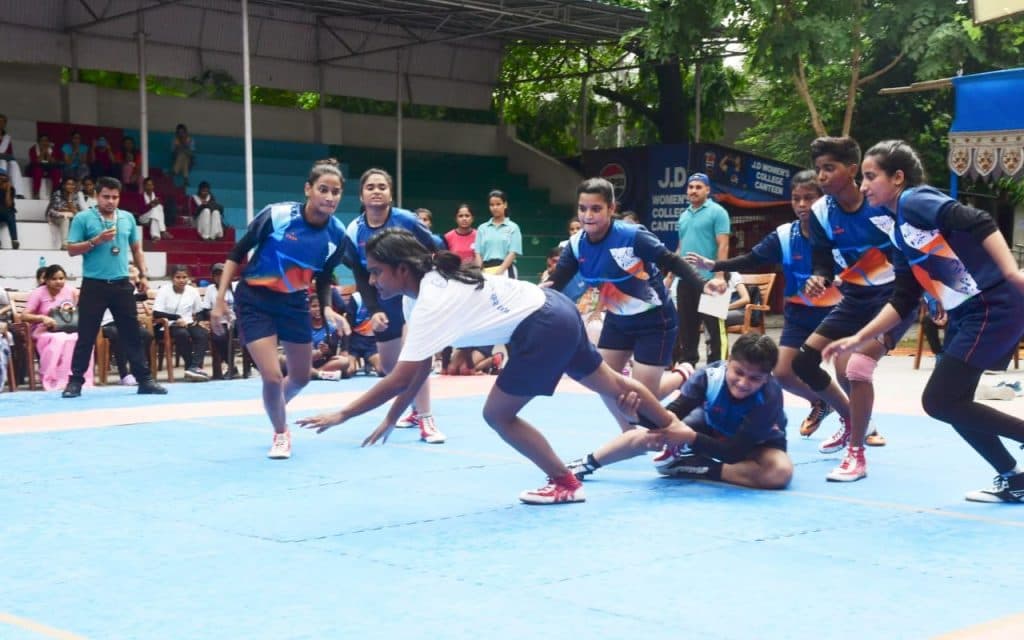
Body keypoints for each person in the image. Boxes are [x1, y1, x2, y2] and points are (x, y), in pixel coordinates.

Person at [297, 228, 696, 505]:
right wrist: (393, 416)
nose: (371, 279)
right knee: (612, 384)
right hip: (553, 309)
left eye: (377, 271)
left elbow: (402, 375)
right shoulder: (423, 289)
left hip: (540, 326)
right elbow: (418, 370)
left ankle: (565, 482)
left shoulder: (431, 300)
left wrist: (344, 413)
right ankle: (674, 428)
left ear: (402, 269)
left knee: (497, 415)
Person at [824, 139, 1024, 503]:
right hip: (967, 312)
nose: (864, 185)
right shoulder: (898, 229)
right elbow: (903, 298)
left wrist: (1011, 272)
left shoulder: (915, 200)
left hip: (993, 304)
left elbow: (978, 220)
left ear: (898, 177)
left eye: (871, 176)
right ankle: (1014, 477)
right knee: (953, 402)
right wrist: (858, 337)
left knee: (940, 400)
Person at [544, 177, 712, 432]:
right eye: (582, 208)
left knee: (644, 398)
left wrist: (703, 285)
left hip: (655, 320)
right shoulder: (576, 245)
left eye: (596, 209)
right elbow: (555, 282)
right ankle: (628, 432)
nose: (588, 215)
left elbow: (673, 261)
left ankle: (683, 375)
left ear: (611, 209)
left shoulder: (632, 236)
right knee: (604, 382)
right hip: (617, 320)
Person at [685, 170, 844, 437]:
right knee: (782, 372)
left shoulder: (836, 231)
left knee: (848, 370)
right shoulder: (784, 235)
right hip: (797, 312)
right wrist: (715, 265)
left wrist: (835, 280)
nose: (802, 205)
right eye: (796, 199)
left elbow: (855, 268)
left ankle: (859, 423)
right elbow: (751, 258)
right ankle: (821, 402)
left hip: (836, 312)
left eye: (809, 198)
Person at [210, 158, 349, 459]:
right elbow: (237, 252)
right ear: (308, 189)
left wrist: (327, 308)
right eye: (323, 189)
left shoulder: (337, 236)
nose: (329, 197)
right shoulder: (278, 215)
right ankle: (281, 430)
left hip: (294, 302)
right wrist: (220, 300)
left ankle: (273, 404)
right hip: (255, 300)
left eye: (336, 192)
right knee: (272, 377)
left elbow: (323, 277)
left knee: (300, 377)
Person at [791, 136, 907, 482]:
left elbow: (911, 256)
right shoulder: (821, 213)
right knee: (803, 361)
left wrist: (932, 298)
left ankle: (856, 453)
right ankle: (847, 419)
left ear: (853, 170)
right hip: (856, 298)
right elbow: (823, 264)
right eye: (819, 169)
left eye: (830, 168)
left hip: (894, 299)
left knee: (855, 369)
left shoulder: (883, 205)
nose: (822, 176)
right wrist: (818, 279)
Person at [567, 333, 792, 489]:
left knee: (780, 472)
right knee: (657, 432)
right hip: (711, 426)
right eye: (738, 372)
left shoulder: (770, 398)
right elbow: (666, 418)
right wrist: (632, 416)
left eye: (754, 378)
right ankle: (587, 463)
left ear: (767, 378)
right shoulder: (709, 376)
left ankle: (696, 467)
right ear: (728, 362)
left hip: (754, 445)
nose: (743, 383)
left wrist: (690, 438)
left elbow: (734, 452)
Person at [344, 168, 446, 444]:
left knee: (415, 356)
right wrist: (374, 308)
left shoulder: (407, 220)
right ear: (361, 195)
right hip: (383, 299)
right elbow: (360, 275)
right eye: (370, 187)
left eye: (382, 186)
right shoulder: (354, 229)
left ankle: (426, 418)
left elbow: (436, 247)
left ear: (390, 193)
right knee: (390, 366)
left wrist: (429, 285)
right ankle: (413, 410)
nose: (376, 191)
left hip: (413, 295)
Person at [62, 175, 166, 398]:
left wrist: (144, 275)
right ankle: (75, 382)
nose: (110, 201)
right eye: (106, 197)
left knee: (132, 334)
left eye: (115, 197)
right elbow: (70, 249)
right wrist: (95, 241)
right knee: (86, 335)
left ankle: (145, 380)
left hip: (121, 284)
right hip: (94, 284)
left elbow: (137, 249)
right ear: (96, 196)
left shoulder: (127, 218)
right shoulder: (83, 218)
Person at [669, 172, 731, 367]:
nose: (693, 191)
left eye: (698, 187)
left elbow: (723, 245)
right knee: (686, 329)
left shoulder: (718, 212)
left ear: (708, 190)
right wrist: (671, 276)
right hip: (685, 281)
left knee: (714, 330)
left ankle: (717, 369)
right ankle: (687, 367)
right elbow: (680, 247)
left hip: (711, 280)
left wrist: (720, 275)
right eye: (691, 187)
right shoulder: (683, 216)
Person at [22, 264, 93, 391]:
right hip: (43, 330)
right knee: (59, 339)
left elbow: (85, 303)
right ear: (47, 280)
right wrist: (42, 318)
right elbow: (24, 315)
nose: (58, 282)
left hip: (69, 329)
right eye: (54, 279)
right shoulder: (38, 293)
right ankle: (53, 379)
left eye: (61, 278)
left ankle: (78, 379)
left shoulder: (70, 291)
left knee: (81, 339)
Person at [153, 264, 210, 381]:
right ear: (172, 278)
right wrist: (176, 318)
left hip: (188, 323)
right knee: (182, 334)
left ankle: (194, 367)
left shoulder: (192, 291)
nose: (181, 280)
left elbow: (199, 311)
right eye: (178, 277)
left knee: (202, 333)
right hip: (168, 325)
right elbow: (156, 313)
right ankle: (190, 366)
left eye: (184, 277)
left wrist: (198, 321)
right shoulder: (164, 290)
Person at [100, 264, 152, 386]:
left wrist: (138, 279)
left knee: (146, 335)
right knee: (120, 335)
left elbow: (143, 296)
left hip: (125, 323)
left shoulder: (129, 288)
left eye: (132, 271)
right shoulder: (106, 285)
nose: (130, 274)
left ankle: (138, 370)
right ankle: (124, 374)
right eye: (128, 271)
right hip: (107, 323)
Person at [474, 189, 522, 278]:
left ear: (505, 205)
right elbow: (478, 253)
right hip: (486, 271)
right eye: (492, 205)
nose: (495, 207)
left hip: (506, 270)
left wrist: (500, 271)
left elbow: (513, 252)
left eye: (498, 204)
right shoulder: (482, 228)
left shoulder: (513, 228)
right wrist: (480, 271)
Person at [201, 262, 237, 379]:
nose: (219, 277)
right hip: (218, 321)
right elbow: (205, 310)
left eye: (222, 274)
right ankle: (231, 366)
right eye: (216, 275)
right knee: (220, 337)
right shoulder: (210, 289)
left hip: (235, 321)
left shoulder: (234, 287)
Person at [47, 176, 81, 250]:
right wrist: (69, 208)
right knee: (65, 219)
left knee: (78, 218)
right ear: (64, 185)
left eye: (72, 184)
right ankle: (64, 244)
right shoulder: (57, 193)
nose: (71, 186)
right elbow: (58, 208)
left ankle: (76, 242)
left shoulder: (75, 195)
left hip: (68, 215)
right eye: (68, 184)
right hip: (55, 216)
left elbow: (75, 210)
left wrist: (69, 201)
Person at [27, 134, 62, 199]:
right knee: (38, 171)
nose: (44, 143)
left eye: (46, 141)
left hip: (49, 168)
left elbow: (53, 161)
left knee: (57, 172)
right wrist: (43, 151)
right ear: (38, 142)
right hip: (36, 167)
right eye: (42, 141)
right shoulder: (33, 149)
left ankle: (55, 193)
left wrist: (47, 152)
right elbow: (37, 161)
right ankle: (36, 193)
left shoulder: (52, 149)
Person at [140, 177, 172, 241]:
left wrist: (155, 204)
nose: (150, 187)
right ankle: (163, 231)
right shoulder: (140, 196)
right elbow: (141, 211)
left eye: (151, 185)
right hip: (143, 218)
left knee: (158, 209)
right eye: (148, 185)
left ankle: (155, 236)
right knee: (155, 209)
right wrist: (151, 204)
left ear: (153, 186)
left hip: (153, 217)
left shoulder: (157, 195)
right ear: (144, 186)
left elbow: (162, 209)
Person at [0, 114, 23, 189]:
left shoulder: (7, 138)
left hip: (3, 158)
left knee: (13, 163)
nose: (1, 124)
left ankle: (17, 191)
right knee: (2, 162)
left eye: (3, 122)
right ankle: (2, 187)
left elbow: (10, 153)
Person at [0, 167, 19, 249]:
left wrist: (8, 190)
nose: (2, 181)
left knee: (11, 216)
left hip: (7, 212)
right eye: (1, 179)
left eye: (5, 180)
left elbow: (8, 204)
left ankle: (14, 241)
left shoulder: (10, 189)